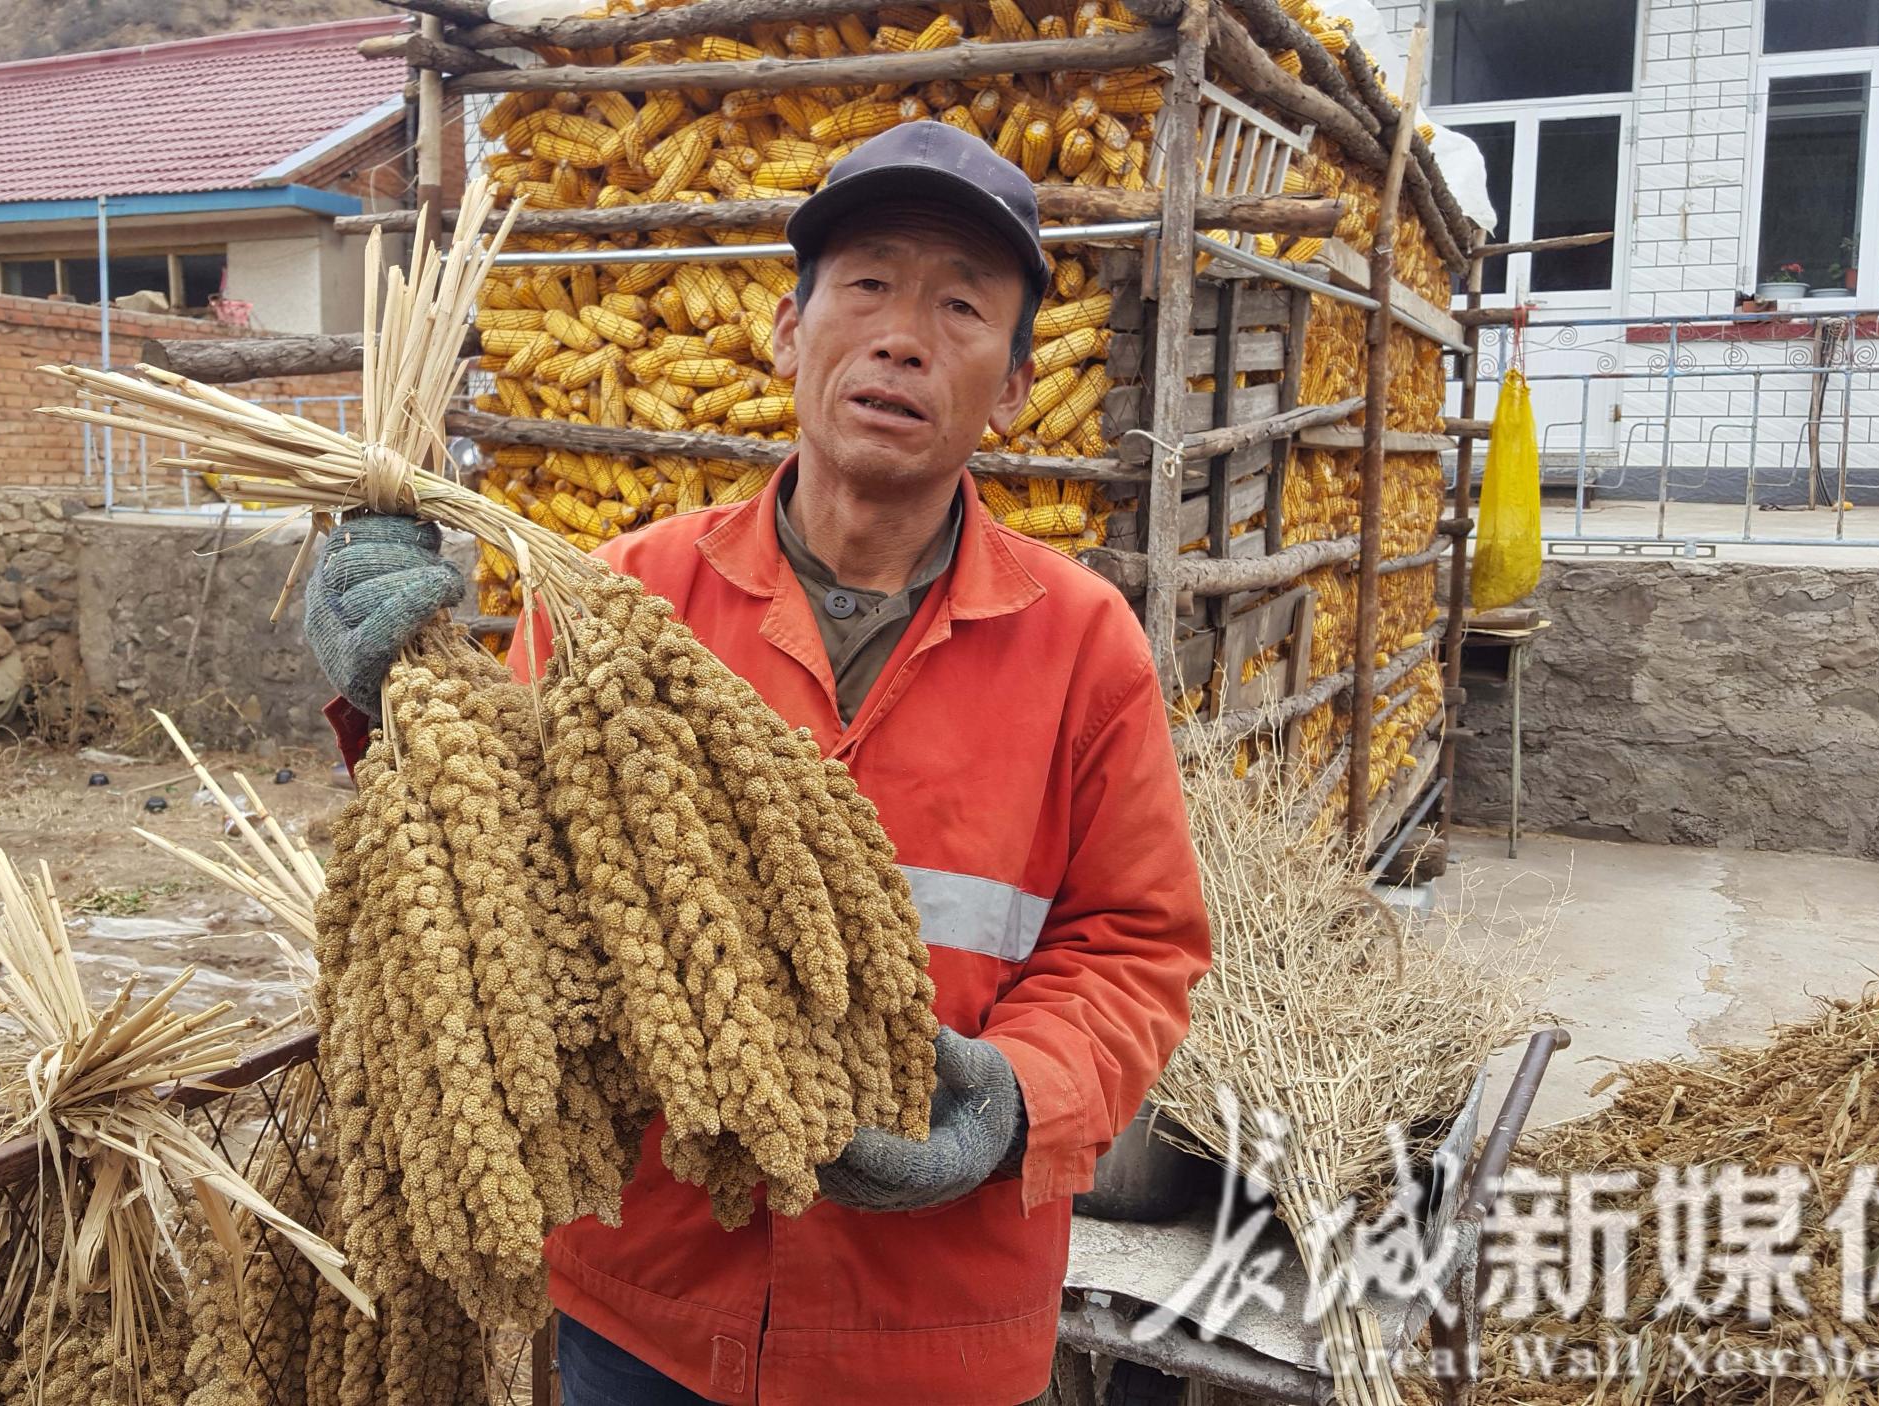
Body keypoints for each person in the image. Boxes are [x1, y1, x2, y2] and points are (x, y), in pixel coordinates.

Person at [305, 120, 1211, 1406]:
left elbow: (1137, 942)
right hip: (653, 1309)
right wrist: (388, 689)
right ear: (788, 333)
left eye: (960, 307)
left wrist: (1016, 1098)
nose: (903, 338)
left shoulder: (1082, 644)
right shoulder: (621, 597)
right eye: (868, 285)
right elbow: (488, 869)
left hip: (935, 1328)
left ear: (1015, 386)